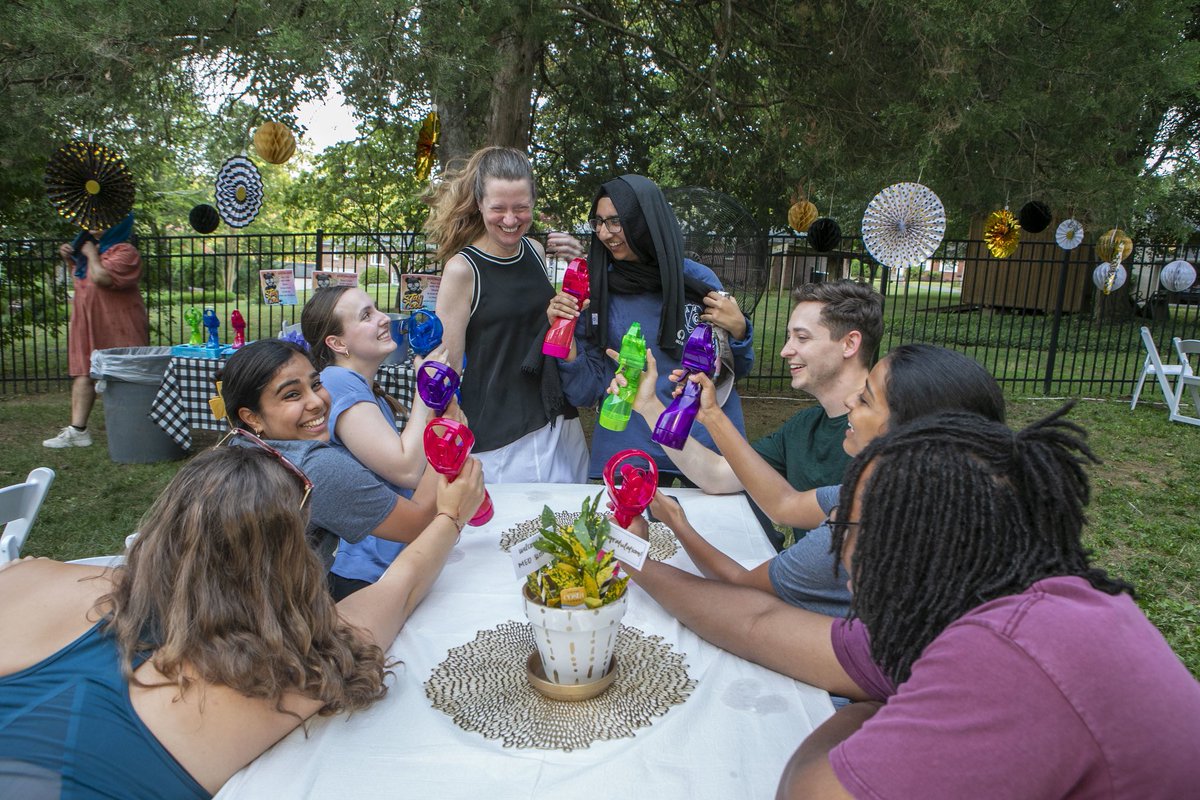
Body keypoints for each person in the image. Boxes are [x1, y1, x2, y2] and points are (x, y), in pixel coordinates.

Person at [626, 408, 1200, 797]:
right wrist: (633, 561)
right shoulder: (983, 599)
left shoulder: (1006, 654)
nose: (839, 548)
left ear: (910, 540)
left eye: (848, 522)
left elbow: (810, 792)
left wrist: (871, 705)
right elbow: (757, 622)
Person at [0, 444, 484, 798]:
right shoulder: (268, 680)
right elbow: (400, 590)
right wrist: (450, 516)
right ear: (291, 562)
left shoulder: (29, 579)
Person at [645, 344, 1006, 616]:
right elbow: (784, 505)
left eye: (865, 400)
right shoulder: (916, 500)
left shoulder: (858, 523)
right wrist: (711, 416)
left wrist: (674, 523)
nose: (851, 401)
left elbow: (740, 588)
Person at [546, 174, 756, 481]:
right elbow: (586, 390)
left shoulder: (698, 282)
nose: (605, 233)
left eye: (616, 221)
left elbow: (733, 371)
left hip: (702, 447)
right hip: (629, 451)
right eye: (599, 222)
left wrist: (739, 331)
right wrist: (565, 337)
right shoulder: (595, 288)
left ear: (644, 220)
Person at [218, 339, 457, 575]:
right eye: (291, 395)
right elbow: (419, 524)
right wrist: (443, 434)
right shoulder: (313, 468)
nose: (315, 402)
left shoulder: (234, 447)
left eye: (316, 384)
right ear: (252, 418)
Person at [424, 146, 588, 483]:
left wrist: (578, 272)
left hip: (553, 418)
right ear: (480, 203)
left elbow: (543, 327)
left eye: (521, 208)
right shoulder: (463, 270)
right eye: (498, 208)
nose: (511, 220)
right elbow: (447, 366)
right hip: (499, 436)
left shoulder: (534, 250)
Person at [301, 285, 446, 598]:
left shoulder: (358, 386)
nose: (383, 319)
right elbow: (406, 468)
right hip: (361, 573)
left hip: (387, 558)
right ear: (337, 343)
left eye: (377, 309)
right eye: (366, 316)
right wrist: (426, 386)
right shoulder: (336, 382)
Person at [43, 213, 148, 448]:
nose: (95, 228)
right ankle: (77, 430)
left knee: (126, 376)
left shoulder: (125, 252)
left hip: (119, 323)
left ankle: (134, 429)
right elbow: (84, 282)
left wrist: (90, 254)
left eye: (103, 223)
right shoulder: (87, 254)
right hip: (87, 322)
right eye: (93, 224)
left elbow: (102, 278)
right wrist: (73, 258)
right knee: (83, 372)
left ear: (118, 224)